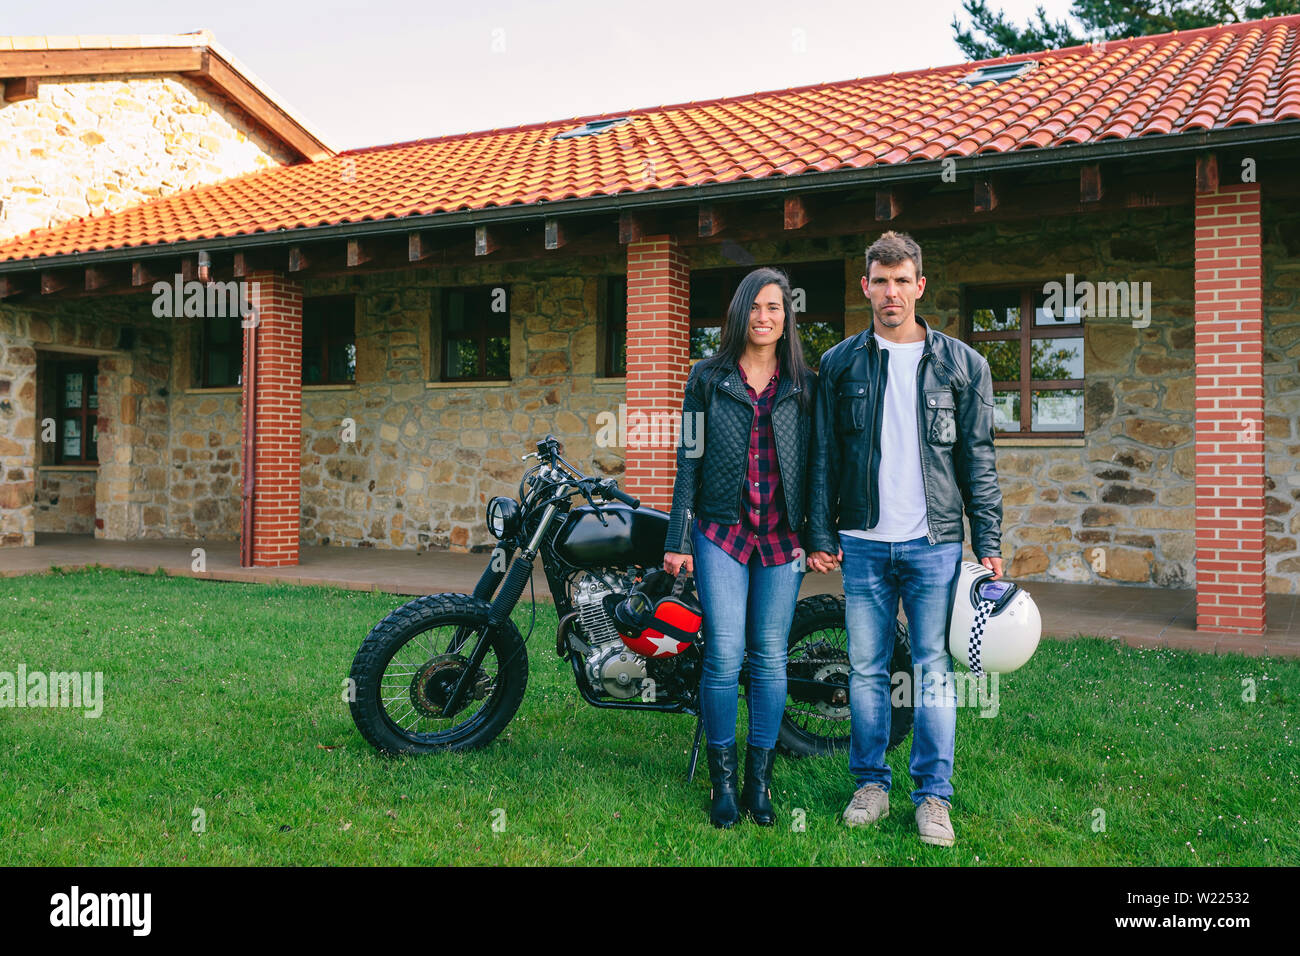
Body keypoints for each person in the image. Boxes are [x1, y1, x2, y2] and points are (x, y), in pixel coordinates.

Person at [806, 231, 1003, 848]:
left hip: (935, 544)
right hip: (862, 541)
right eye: (880, 281)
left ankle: (932, 798)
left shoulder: (963, 365)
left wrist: (988, 536)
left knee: (932, 671)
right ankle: (870, 783)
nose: (891, 293)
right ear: (865, 287)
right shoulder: (838, 365)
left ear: (920, 286)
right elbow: (822, 460)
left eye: (902, 281)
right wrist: (820, 530)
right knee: (865, 669)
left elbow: (978, 457)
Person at [664, 267, 816, 829]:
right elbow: (688, 462)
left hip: (782, 535)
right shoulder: (707, 377)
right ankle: (723, 784)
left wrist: (819, 534)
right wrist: (678, 540)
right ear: (739, 312)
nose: (764, 317)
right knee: (725, 656)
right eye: (755, 306)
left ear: (786, 317)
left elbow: (819, 468)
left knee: (770, 657)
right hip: (720, 532)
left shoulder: (804, 383)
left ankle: (760, 783)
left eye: (774, 307)